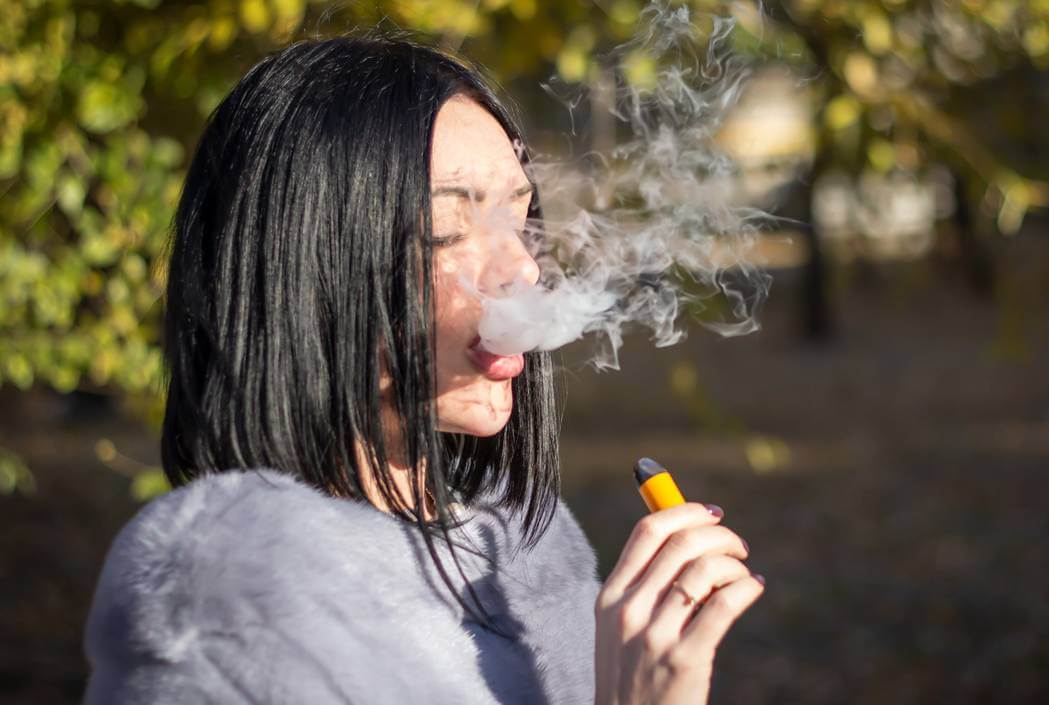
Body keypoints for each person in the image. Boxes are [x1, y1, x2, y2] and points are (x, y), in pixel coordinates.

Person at [82, 30, 764, 705]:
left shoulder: (527, 565)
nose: (524, 268)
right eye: (448, 229)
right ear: (310, 268)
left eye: (521, 217)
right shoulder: (228, 633)